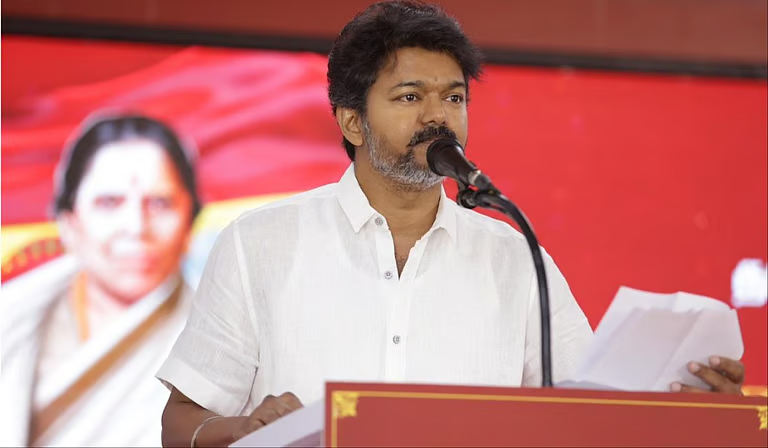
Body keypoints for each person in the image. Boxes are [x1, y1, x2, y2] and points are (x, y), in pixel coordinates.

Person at [156, 2, 747, 446]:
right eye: (410, 97)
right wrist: (240, 431)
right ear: (353, 122)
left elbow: (590, 415)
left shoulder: (513, 256)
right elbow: (180, 422)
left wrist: (688, 406)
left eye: (455, 98)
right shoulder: (259, 243)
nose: (439, 117)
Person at [0, 114, 202, 446]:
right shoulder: (12, 319)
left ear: (190, 222)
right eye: (110, 203)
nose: (136, 227)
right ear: (69, 221)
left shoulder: (224, 352)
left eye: (160, 203)